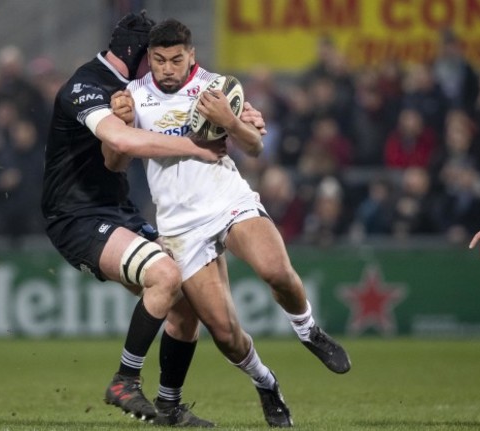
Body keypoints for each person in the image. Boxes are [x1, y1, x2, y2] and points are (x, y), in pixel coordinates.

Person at [108, 18, 351, 428]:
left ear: (192, 57)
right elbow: (113, 162)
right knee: (225, 334)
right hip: (180, 225)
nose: (167, 69)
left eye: (176, 60)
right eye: (159, 60)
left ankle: (309, 331)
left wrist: (231, 120)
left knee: (276, 271)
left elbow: (254, 147)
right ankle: (266, 382)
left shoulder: (219, 88)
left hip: (228, 200)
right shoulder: (132, 97)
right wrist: (119, 125)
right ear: (149, 58)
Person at [40, 11, 227, 422]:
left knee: (184, 301)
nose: (162, 70)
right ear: (139, 55)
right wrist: (196, 148)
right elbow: (122, 140)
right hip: (77, 216)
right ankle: (124, 379)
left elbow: (116, 163)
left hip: (115, 209)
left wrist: (240, 120)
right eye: (155, 59)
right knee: (164, 275)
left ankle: (170, 404)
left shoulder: (128, 91)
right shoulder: (85, 86)